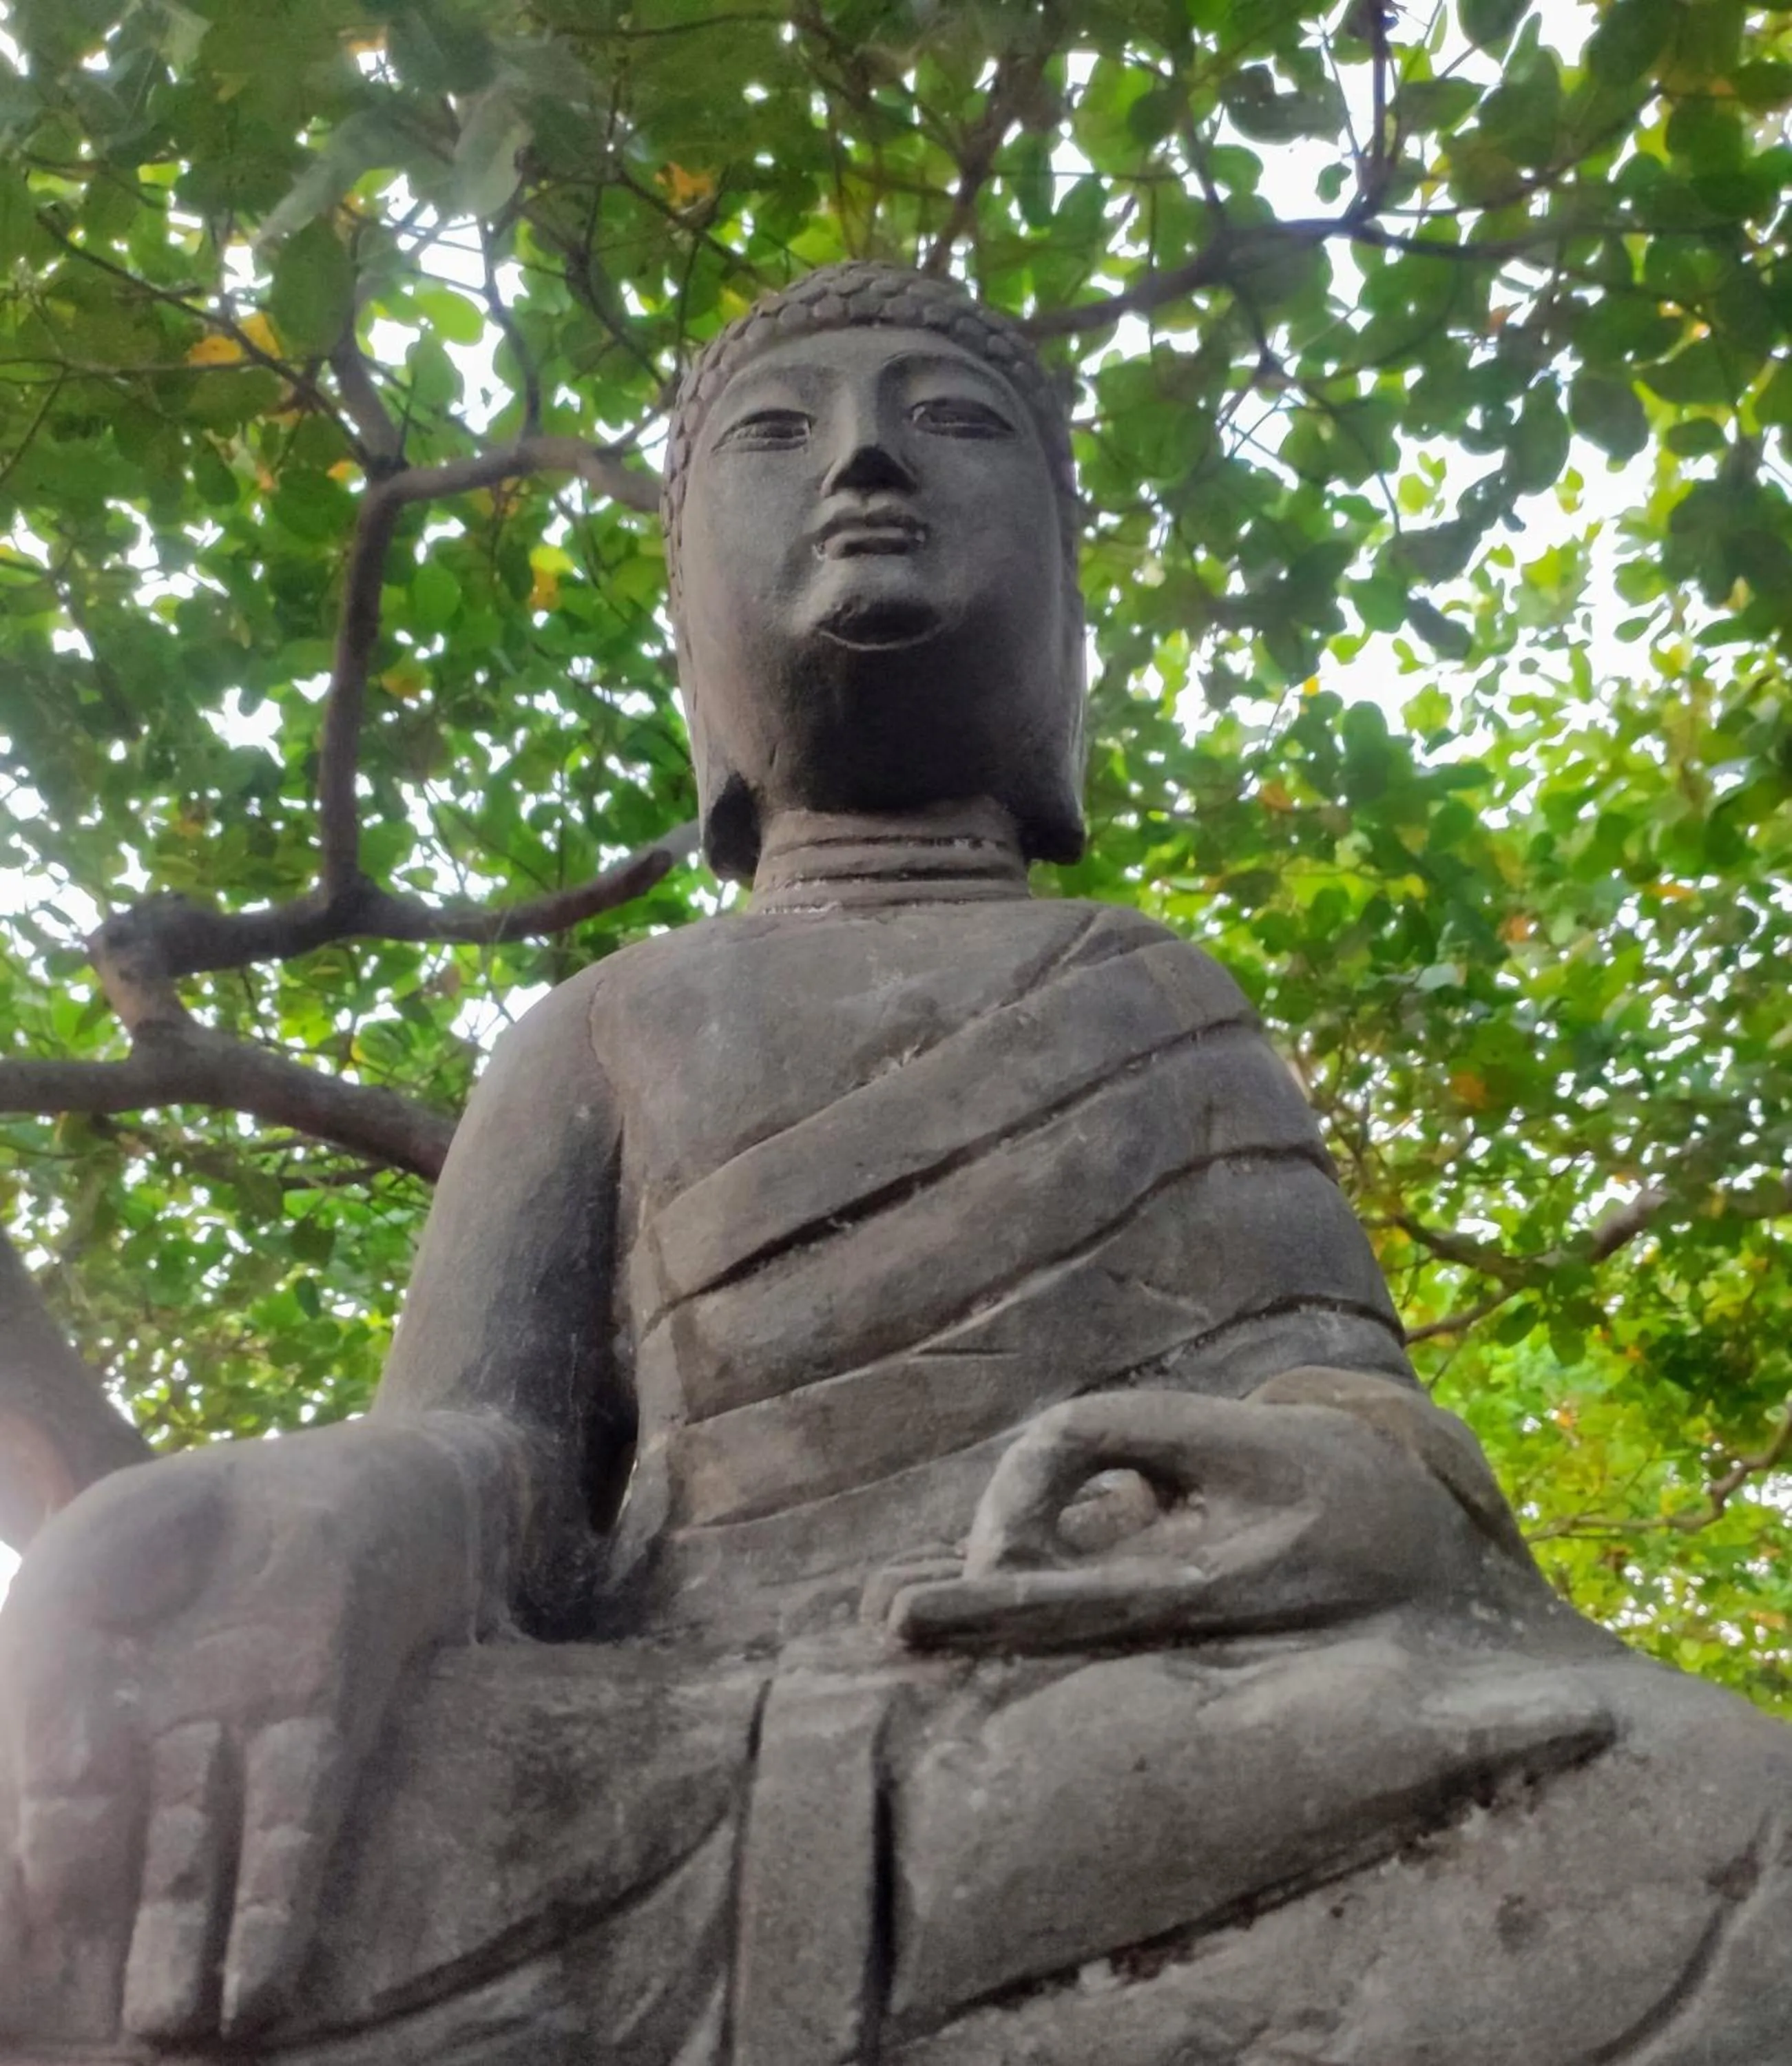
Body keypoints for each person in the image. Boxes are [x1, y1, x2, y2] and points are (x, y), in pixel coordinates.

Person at [3, 264, 1789, 2066]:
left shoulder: (1149, 984)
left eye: (949, 421)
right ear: (691, 633)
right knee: (130, 1826)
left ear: (1066, 619)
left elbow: (1343, 1405)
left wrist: (1333, 1476)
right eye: (779, 436)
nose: (865, 462)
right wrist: (328, 1511)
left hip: (1133, 1719)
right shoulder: (601, 1026)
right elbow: (495, 1449)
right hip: (664, 1749)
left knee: (1718, 1805)